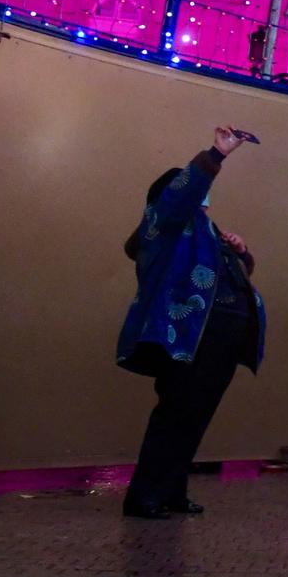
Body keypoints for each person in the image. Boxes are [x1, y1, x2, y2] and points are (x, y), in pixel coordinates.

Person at [117, 126, 266, 520]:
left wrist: (242, 253)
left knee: (195, 416)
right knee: (176, 414)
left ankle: (171, 492)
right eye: (198, 194)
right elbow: (179, 196)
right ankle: (144, 496)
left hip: (218, 339)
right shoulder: (165, 224)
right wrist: (216, 155)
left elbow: (228, 275)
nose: (203, 202)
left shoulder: (204, 231)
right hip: (186, 338)